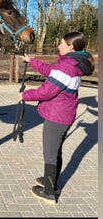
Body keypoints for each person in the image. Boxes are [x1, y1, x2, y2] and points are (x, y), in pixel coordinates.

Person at [18, 31, 95, 205]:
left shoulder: (66, 67)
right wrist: (32, 62)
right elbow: (51, 71)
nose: (58, 46)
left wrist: (25, 95)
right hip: (64, 114)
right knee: (55, 151)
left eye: (61, 43)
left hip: (57, 116)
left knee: (50, 153)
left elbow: (46, 91)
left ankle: (49, 193)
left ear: (71, 47)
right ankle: (50, 181)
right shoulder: (71, 63)